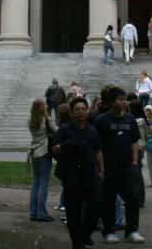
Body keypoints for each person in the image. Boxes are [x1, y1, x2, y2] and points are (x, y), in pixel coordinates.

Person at [53, 96, 103, 249]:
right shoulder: (64, 130)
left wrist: (102, 169)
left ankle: (85, 234)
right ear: (72, 113)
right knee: (73, 211)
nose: (80, 112)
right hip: (71, 176)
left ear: (87, 112)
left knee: (96, 208)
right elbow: (55, 150)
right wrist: (64, 147)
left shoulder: (92, 131)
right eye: (77, 110)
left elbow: (98, 151)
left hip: (90, 175)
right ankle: (77, 242)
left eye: (83, 109)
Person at [95, 89, 144, 243]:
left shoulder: (130, 119)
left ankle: (132, 231)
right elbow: (97, 147)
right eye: (120, 99)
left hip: (128, 166)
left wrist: (135, 162)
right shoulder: (102, 120)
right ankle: (108, 231)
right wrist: (100, 168)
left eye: (124, 99)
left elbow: (134, 141)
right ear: (111, 102)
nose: (124, 102)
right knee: (108, 200)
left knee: (132, 199)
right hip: (109, 167)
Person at [28, 98, 55, 222]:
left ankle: (33, 211)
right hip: (44, 150)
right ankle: (41, 212)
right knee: (44, 183)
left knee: (36, 182)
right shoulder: (45, 119)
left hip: (33, 151)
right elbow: (55, 130)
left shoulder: (30, 120)